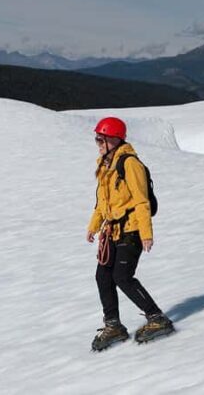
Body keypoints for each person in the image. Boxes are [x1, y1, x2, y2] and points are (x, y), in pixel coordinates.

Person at [86, 117, 174, 350]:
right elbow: (102, 202)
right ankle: (113, 325)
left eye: (100, 139)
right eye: (97, 139)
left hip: (132, 230)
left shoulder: (129, 164)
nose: (98, 143)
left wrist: (146, 233)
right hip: (112, 230)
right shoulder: (106, 164)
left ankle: (157, 318)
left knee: (122, 277)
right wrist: (94, 226)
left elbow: (141, 201)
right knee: (103, 276)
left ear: (113, 139)